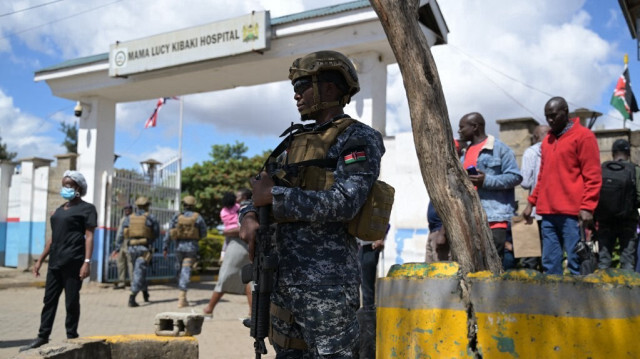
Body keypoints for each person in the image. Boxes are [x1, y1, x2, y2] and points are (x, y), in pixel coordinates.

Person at [240, 50, 385, 357]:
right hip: (283, 280)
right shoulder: (292, 143)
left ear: (329, 89)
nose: (296, 94)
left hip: (327, 286)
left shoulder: (358, 138)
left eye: (303, 85)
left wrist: (275, 197)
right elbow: (258, 189)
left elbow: (346, 202)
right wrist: (249, 215)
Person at [523, 96, 602, 275]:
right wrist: (531, 203)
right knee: (550, 262)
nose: (550, 120)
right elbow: (542, 176)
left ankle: (579, 301)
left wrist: (588, 207)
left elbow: (593, 176)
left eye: (553, 115)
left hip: (572, 213)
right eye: (546, 116)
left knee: (576, 262)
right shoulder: (547, 141)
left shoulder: (584, 136)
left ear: (565, 112)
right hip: (548, 212)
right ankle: (555, 301)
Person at [21, 171, 97, 352]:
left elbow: (89, 236)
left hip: (74, 262)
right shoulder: (59, 210)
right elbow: (53, 238)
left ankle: (72, 336)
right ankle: (42, 336)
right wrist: (40, 260)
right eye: (64, 185)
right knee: (49, 300)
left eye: (69, 185)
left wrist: (87, 261)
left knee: (71, 301)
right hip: (55, 262)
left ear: (78, 187)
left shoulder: (87, 209)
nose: (65, 188)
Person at [458, 112, 522, 265]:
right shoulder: (464, 153)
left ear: (475, 127)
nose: (459, 131)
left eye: (462, 127)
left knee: (494, 265)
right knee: (476, 267)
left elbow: (515, 177)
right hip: (471, 219)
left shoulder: (500, 149)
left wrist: (486, 180)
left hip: (494, 219)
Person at [202, 190, 252, 318]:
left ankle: (209, 309)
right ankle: (252, 313)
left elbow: (243, 228)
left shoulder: (245, 207)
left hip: (238, 244)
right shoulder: (244, 207)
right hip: (248, 244)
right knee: (251, 279)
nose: (236, 198)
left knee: (225, 276)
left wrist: (226, 232)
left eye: (238, 195)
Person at [595, 139, 640, 270]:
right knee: (627, 261)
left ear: (613, 153)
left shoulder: (602, 168)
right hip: (628, 221)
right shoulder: (635, 170)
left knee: (604, 261)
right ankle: (628, 290)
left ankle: (604, 290)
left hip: (605, 221)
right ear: (629, 153)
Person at [111, 196, 159, 307]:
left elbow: (121, 235)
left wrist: (117, 248)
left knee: (140, 271)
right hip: (144, 249)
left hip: (131, 249)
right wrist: (149, 240)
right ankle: (132, 297)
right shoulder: (150, 218)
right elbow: (156, 233)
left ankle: (145, 293)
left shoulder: (129, 218)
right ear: (147, 206)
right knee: (139, 272)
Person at [162, 195, 207, 307]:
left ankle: (181, 293)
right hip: (191, 248)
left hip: (178, 248)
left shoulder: (177, 217)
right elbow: (204, 233)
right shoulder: (198, 217)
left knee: (180, 270)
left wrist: (165, 246)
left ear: (184, 205)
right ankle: (182, 297)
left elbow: (169, 232)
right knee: (186, 270)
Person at [519, 125, 551, 271]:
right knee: (550, 259)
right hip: (553, 213)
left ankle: (529, 293)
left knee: (529, 262)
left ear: (536, 137)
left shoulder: (531, 151)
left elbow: (525, 183)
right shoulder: (557, 148)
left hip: (533, 211)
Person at [114, 204, 133, 289]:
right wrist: (117, 246)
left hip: (129, 242)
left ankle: (133, 283)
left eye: (128, 209)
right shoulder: (123, 218)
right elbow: (119, 233)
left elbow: (123, 233)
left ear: (131, 210)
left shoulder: (132, 218)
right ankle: (122, 282)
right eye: (125, 209)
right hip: (121, 243)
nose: (126, 210)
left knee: (130, 264)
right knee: (121, 263)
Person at [218, 192, 241, 264]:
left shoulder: (223, 211)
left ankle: (222, 255)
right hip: (237, 228)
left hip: (227, 230)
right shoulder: (237, 206)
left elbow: (223, 220)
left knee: (226, 243)